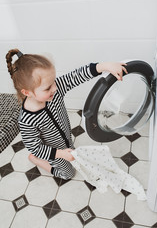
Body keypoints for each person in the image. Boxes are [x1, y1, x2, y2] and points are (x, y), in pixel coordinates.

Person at [6, 48, 128, 180]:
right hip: (52, 152)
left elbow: (76, 76)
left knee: (71, 150)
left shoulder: (55, 91)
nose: (55, 88)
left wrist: (104, 66)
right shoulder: (27, 120)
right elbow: (35, 147)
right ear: (27, 93)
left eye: (53, 82)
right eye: (47, 87)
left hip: (65, 139)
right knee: (68, 174)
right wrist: (60, 154)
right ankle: (36, 161)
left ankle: (66, 148)